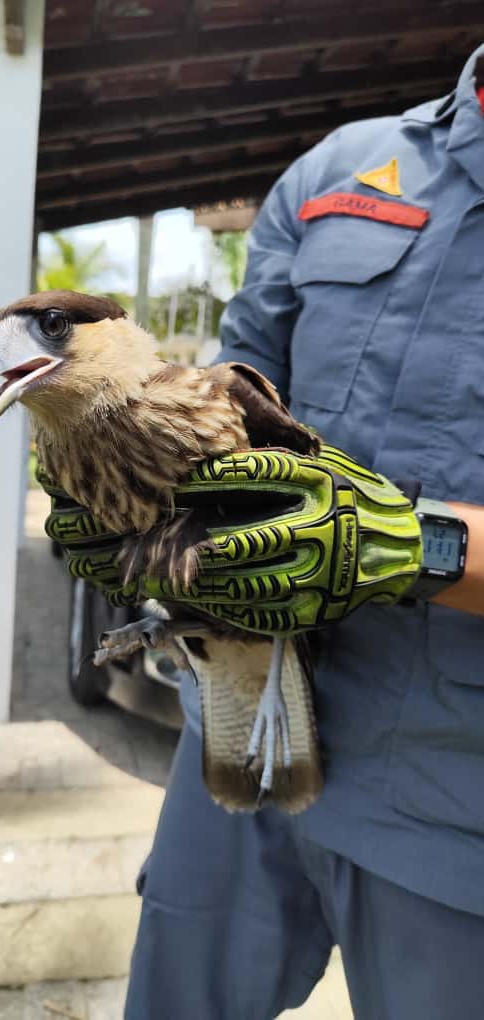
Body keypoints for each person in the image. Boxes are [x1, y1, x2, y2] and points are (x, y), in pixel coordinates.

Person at [116, 42, 484, 1020]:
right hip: (242, 728)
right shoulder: (343, 171)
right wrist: (135, 481)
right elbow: (231, 403)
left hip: (451, 807)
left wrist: (397, 543)